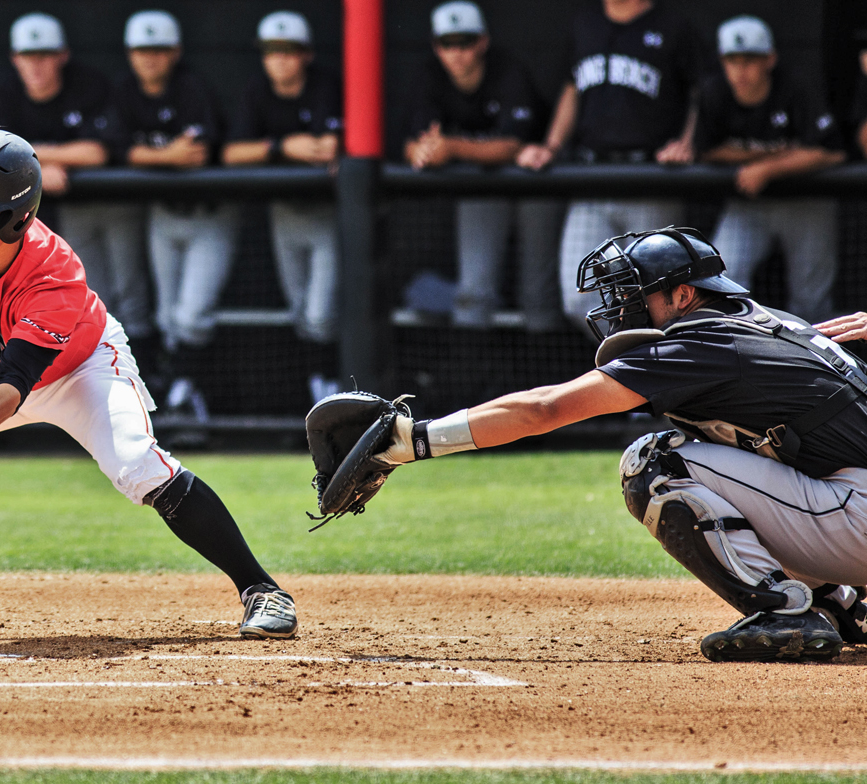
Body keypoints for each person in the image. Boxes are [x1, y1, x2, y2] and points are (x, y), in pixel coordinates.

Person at [0, 128, 298, 641]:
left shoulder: (54, 272)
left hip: (79, 369)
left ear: (14, 218)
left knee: (136, 464)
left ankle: (262, 589)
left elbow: (14, 385)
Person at [327, 226, 867, 663]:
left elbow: (545, 408)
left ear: (683, 295)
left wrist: (414, 441)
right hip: (851, 507)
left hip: (856, 513)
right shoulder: (772, 325)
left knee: (655, 463)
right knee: (715, 447)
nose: (622, 306)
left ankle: (785, 612)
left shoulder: (701, 343)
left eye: (635, 294)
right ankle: (844, 604)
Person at [516, 0, 702, 330]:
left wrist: (689, 141)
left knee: (662, 302)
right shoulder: (584, 25)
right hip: (592, 178)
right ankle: (629, 359)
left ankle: (652, 362)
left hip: (651, 179)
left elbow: (700, 91)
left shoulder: (673, 26)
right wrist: (552, 145)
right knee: (580, 301)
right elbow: (572, 87)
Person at [0, 14, 155, 368]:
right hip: (67, 213)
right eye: (27, 56)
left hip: (114, 203)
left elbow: (97, 152)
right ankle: (106, 370)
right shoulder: (6, 93)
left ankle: (149, 372)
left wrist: (31, 158)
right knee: (92, 295)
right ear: (15, 58)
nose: (36, 65)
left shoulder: (88, 84)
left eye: (45, 55)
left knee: (131, 294)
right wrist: (41, 167)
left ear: (62, 55)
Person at [103, 10, 233, 419]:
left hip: (208, 212)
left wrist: (145, 155)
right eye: (142, 49)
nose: (150, 57)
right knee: (167, 317)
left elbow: (196, 153)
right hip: (163, 213)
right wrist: (164, 155)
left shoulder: (192, 88)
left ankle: (187, 394)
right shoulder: (125, 91)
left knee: (191, 316)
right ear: (130, 53)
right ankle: (179, 395)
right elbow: (113, 149)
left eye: (159, 49)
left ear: (175, 52)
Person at [403, 1, 563, 332]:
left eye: (465, 42)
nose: (457, 53)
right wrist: (421, 152)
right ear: (436, 46)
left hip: (536, 180)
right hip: (483, 186)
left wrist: (451, 147)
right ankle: (474, 366)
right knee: (474, 293)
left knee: (537, 293)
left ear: (482, 42)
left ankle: (545, 362)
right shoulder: (429, 76)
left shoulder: (508, 70)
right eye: (448, 44)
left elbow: (512, 145)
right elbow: (411, 143)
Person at [223, 10, 343, 403]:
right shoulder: (257, 91)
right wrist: (282, 146)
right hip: (285, 213)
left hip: (327, 214)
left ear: (306, 54)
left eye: (289, 51)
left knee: (321, 313)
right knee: (301, 311)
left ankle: (336, 386)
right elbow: (232, 153)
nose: (280, 60)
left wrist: (331, 150)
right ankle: (318, 390)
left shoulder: (326, 86)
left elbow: (335, 146)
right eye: (272, 51)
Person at [695, 16, 844, 325]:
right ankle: (733, 349)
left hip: (805, 202)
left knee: (810, 299)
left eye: (750, 60)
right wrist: (764, 156)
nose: (741, 70)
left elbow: (832, 151)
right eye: (733, 61)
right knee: (720, 277)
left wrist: (767, 168)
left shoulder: (796, 87)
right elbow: (706, 149)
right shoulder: (714, 92)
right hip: (748, 205)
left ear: (770, 59)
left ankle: (813, 355)